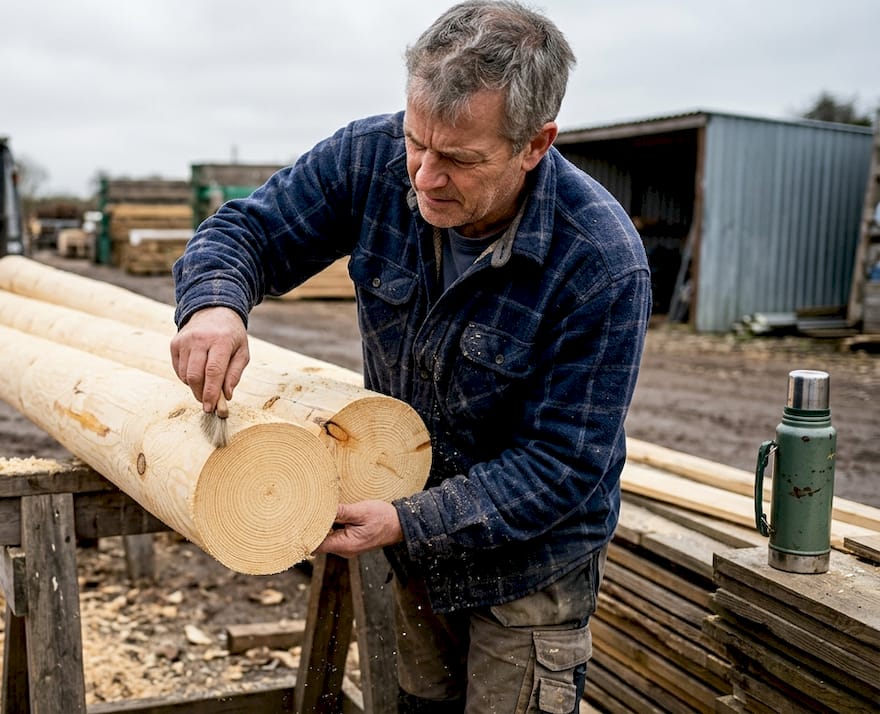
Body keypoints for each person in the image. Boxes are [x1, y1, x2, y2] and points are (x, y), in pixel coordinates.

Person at [170, 1, 651, 712]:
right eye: (416, 142)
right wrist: (215, 302)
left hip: (529, 567)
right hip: (408, 538)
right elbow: (250, 232)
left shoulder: (600, 264)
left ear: (534, 144)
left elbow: (563, 466)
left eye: (458, 159)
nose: (424, 177)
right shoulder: (367, 159)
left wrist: (410, 521)